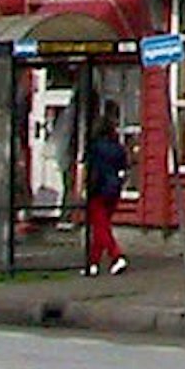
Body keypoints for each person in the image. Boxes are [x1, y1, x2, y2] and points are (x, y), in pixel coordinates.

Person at [80, 103, 129, 274]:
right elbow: (124, 168)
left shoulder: (93, 147)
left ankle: (117, 255)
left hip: (98, 188)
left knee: (100, 227)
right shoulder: (118, 148)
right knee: (102, 225)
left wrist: (81, 188)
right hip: (114, 189)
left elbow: (87, 167)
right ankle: (93, 263)